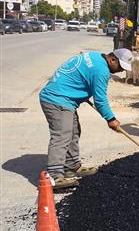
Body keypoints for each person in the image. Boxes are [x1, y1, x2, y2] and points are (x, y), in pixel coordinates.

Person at [39, 49, 132, 188]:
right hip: (57, 99)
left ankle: (71, 166)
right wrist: (111, 119)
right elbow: (100, 100)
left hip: (65, 98)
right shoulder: (101, 71)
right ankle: (54, 175)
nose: (120, 71)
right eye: (120, 67)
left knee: (74, 132)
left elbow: (84, 74)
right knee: (62, 135)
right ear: (113, 59)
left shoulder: (95, 56)